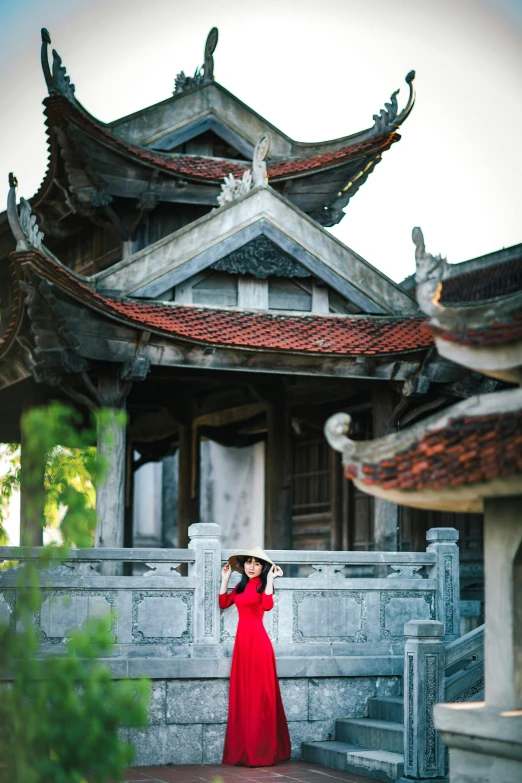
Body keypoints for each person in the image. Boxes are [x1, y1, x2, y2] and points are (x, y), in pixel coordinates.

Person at [219, 546, 291, 766]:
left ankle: (263, 750)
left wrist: (270, 580)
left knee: (261, 696)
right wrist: (226, 578)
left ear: (263, 567)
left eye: (257, 563)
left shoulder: (262, 586)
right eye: (248, 562)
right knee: (245, 695)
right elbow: (223, 603)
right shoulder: (241, 587)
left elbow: (268, 606)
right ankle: (245, 748)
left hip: (259, 645)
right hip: (242, 645)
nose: (251, 567)